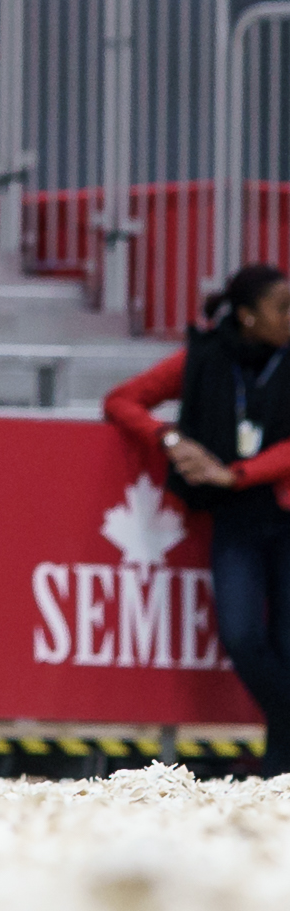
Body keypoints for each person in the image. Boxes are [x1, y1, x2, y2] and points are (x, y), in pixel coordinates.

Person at [104, 263, 290, 773]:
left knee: (287, 646)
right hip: (234, 522)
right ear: (247, 316)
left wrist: (236, 474)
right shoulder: (204, 357)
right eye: (282, 308)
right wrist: (168, 438)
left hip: (282, 517)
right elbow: (121, 400)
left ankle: (279, 773)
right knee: (242, 636)